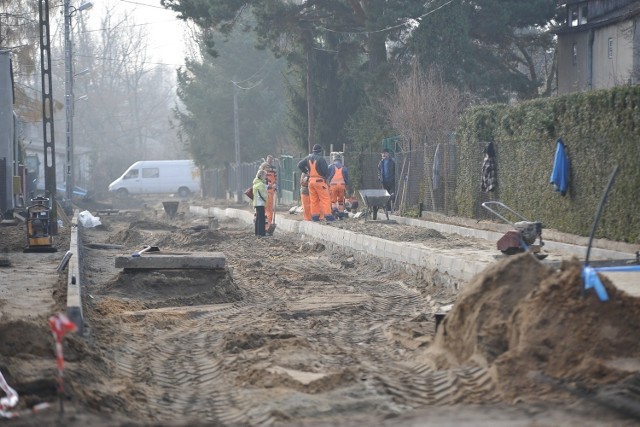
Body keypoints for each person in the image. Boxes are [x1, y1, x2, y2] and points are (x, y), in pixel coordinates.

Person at [297, 144, 335, 222]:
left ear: (313, 151)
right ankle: (328, 216)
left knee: (314, 200)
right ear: (320, 151)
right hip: (320, 181)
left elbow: (299, 165)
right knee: (325, 198)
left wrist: (306, 172)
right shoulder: (321, 159)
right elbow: (325, 171)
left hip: (311, 182)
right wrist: (326, 176)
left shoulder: (307, 158)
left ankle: (315, 216)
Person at [327, 153, 349, 219]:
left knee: (333, 201)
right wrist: (346, 188)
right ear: (340, 160)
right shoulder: (344, 168)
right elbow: (346, 179)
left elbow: (327, 176)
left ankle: (335, 211)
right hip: (342, 186)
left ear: (334, 159)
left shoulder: (330, 166)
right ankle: (341, 215)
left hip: (333, 186)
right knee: (341, 201)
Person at [260, 155, 278, 232]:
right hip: (266, 192)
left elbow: (275, 179)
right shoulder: (262, 175)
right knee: (267, 210)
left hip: (269, 192)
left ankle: (267, 225)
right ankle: (266, 225)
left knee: (268, 209)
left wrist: (275, 186)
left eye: (270, 160)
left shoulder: (273, 169)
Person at [252, 169, 268, 236]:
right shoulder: (260, 184)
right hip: (260, 203)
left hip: (257, 203)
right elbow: (262, 194)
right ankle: (261, 233)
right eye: (265, 175)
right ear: (261, 176)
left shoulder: (257, 183)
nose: (265, 176)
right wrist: (266, 199)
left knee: (258, 218)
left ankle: (257, 233)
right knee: (261, 219)